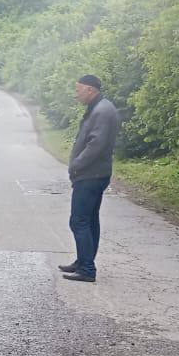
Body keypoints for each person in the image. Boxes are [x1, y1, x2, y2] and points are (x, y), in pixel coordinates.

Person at [60, 74, 119, 283]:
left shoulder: (102, 111)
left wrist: (76, 165)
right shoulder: (99, 108)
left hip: (91, 175)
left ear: (90, 90)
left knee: (79, 221)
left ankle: (87, 269)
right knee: (90, 219)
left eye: (78, 90)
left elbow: (96, 145)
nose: (76, 95)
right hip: (95, 174)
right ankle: (84, 260)